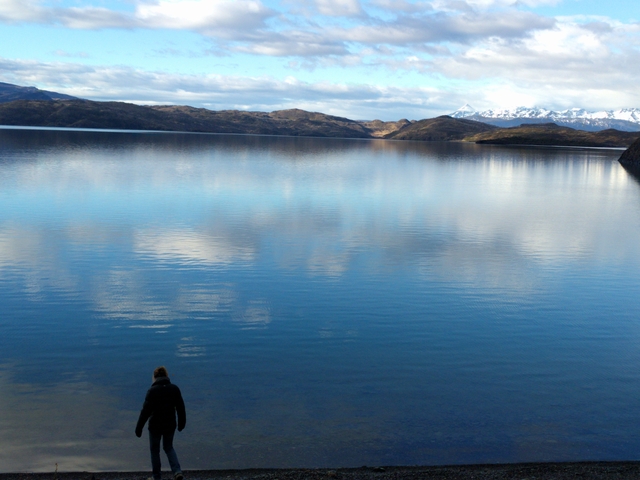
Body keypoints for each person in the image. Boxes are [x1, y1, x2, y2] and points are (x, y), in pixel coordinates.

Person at [135, 366, 186, 480]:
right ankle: (177, 471)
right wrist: (182, 423)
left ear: (154, 377)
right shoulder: (174, 389)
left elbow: (145, 412)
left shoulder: (152, 391)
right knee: (168, 447)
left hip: (155, 426)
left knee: (154, 451)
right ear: (166, 376)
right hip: (170, 425)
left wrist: (139, 428)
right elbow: (181, 408)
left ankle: (156, 477)